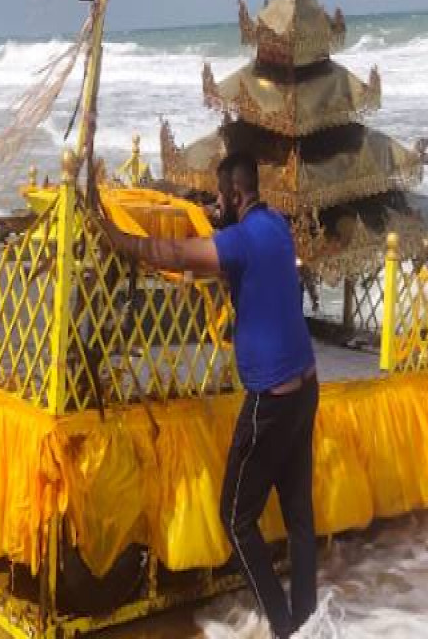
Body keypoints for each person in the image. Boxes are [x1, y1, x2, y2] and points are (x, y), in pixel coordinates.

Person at [103, 151, 318, 639]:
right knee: (299, 516)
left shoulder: (240, 240)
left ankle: (282, 628)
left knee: (236, 517)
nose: (215, 204)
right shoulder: (277, 226)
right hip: (306, 386)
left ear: (236, 194)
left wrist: (120, 239)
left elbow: (177, 256)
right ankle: (307, 618)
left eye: (219, 196)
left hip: (272, 398)